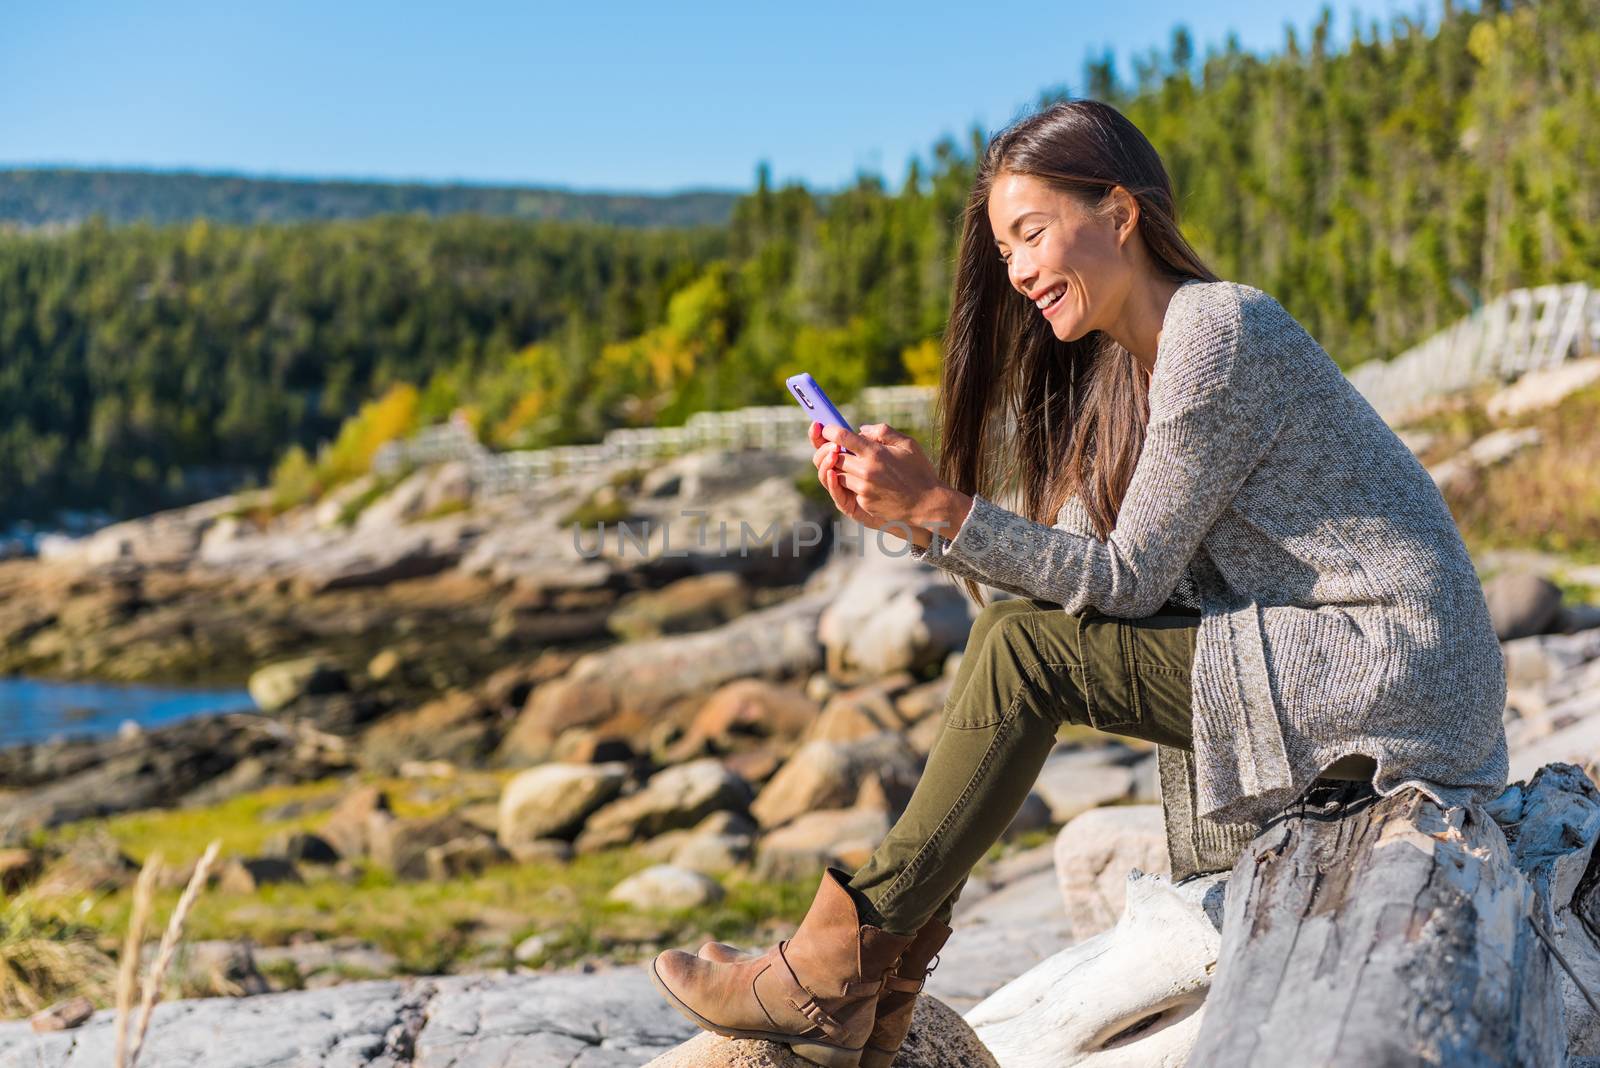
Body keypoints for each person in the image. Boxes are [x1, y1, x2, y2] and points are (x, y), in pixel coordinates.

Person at [648, 98, 1509, 1068]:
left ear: (1118, 213)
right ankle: (871, 990)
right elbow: (1069, 581)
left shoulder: (1217, 332)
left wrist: (940, 508)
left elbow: (1125, 583)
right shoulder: (1129, 374)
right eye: (1004, 249)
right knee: (1022, 635)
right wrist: (910, 516)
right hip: (1332, 659)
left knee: (1021, 652)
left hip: (1391, 667)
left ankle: (835, 970)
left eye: (1029, 233)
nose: (1015, 271)